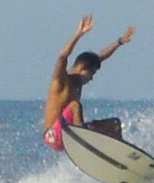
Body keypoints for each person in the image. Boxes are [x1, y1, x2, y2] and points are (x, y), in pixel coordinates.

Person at [43, 14, 135, 151]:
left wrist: (120, 41)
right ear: (82, 68)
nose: (91, 78)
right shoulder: (61, 81)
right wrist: (79, 34)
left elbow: (101, 56)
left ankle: (118, 154)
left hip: (71, 132)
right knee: (75, 105)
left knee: (114, 124)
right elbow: (62, 56)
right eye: (92, 74)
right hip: (53, 135)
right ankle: (83, 142)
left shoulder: (79, 83)